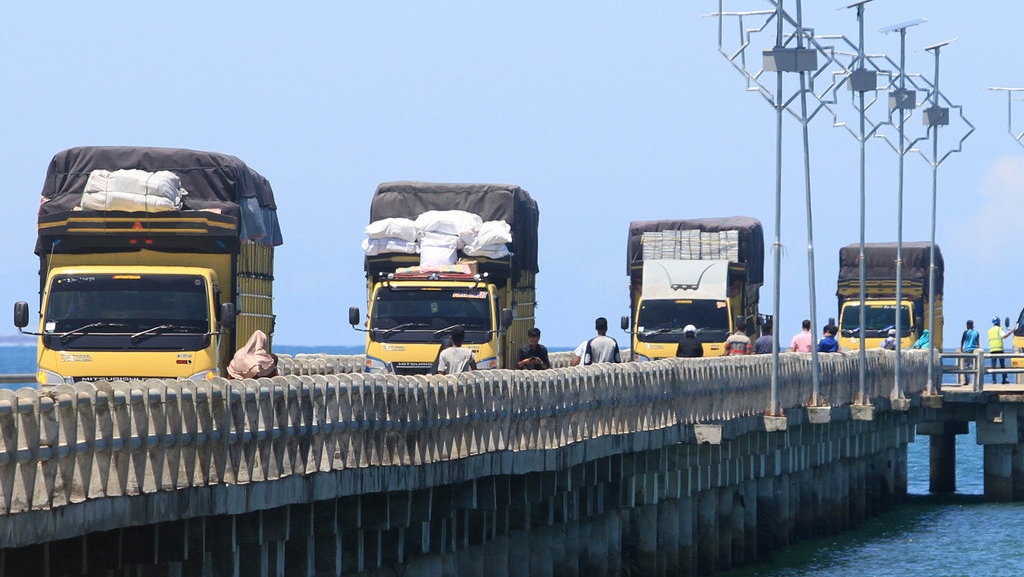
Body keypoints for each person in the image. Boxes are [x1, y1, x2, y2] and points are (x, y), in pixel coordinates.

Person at [987, 316, 1014, 385]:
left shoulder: (990, 330)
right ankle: (1004, 380)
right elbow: (1004, 336)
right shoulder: (999, 329)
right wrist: (1011, 332)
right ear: (999, 322)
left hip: (992, 349)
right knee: (1002, 365)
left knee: (993, 366)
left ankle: (994, 381)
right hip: (999, 349)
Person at [960, 320, 979, 385]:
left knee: (966, 366)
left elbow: (962, 341)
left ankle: (967, 381)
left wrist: (961, 348)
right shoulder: (976, 332)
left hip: (967, 350)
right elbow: (978, 343)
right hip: (974, 350)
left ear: (968, 325)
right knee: (975, 366)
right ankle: (976, 381)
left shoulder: (966, 332)